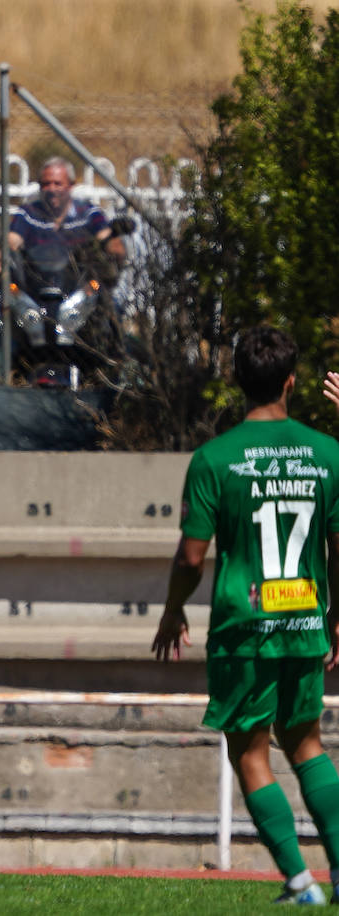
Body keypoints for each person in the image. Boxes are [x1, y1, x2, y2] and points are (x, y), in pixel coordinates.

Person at [152, 325, 339, 905]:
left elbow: (191, 555)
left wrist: (172, 610)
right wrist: (336, 619)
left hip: (243, 627)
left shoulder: (214, 458)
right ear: (291, 381)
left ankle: (300, 881)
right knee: (307, 743)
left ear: (236, 381)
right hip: (305, 620)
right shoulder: (328, 453)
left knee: (249, 751)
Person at [0, 157, 127, 358]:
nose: (51, 189)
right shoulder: (28, 214)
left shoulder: (89, 214)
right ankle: (6, 371)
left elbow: (108, 241)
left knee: (113, 311)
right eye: (46, 184)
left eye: (57, 183)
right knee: (9, 320)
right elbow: (10, 242)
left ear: (71, 186)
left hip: (78, 291)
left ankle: (116, 369)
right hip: (36, 290)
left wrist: (115, 248)